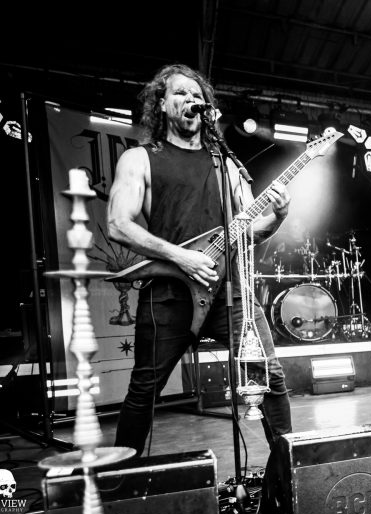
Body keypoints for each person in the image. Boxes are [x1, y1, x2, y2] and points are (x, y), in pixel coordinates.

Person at [107, 64, 292, 455]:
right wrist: (182, 257)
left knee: (269, 376)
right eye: (180, 93)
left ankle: (288, 471)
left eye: (197, 95)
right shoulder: (140, 158)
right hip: (170, 292)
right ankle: (122, 479)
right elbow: (118, 225)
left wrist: (277, 217)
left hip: (229, 292)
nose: (191, 100)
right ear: (161, 103)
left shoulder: (226, 164)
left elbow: (248, 233)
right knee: (144, 388)